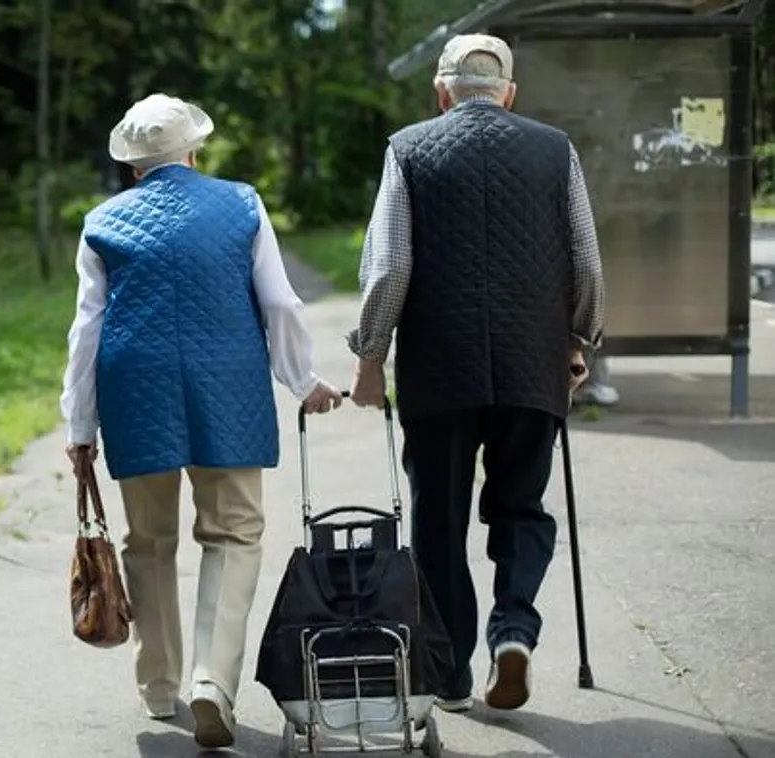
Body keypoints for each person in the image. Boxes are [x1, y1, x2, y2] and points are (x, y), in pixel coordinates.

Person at [59, 93, 344, 749]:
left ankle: (159, 687)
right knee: (234, 533)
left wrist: (79, 428)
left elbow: (87, 331)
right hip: (228, 390)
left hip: (137, 389)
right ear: (193, 152)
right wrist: (302, 382)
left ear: (134, 166)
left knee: (148, 542)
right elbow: (278, 302)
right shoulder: (241, 203)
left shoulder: (103, 221)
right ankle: (212, 680)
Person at [345, 35, 605, 714]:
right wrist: (578, 338)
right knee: (520, 507)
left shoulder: (407, 148)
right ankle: (512, 632)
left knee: (438, 521)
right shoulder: (555, 149)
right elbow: (585, 260)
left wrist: (370, 354)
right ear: (509, 93)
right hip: (531, 362)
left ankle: (449, 673)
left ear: (440, 92)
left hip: (439, 370)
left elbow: (389, 265)